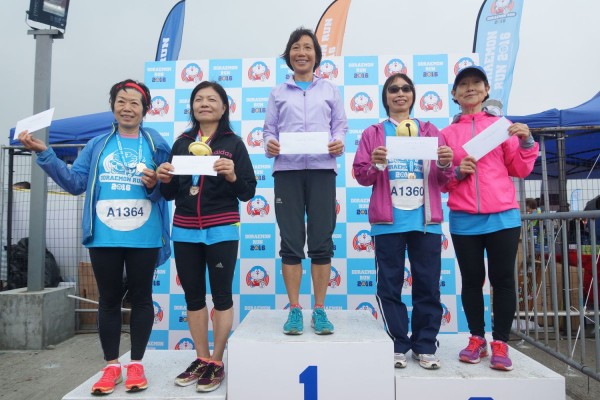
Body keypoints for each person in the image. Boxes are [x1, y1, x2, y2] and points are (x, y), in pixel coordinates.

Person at [18, 79, 172, 395]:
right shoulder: (97, 144)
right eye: (121, 101)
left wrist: (155, 184)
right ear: (112, 106)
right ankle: (111, 365)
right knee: (109, 300)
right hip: (103, 234)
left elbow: (168, 191)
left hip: (144, 234)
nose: (127, 108)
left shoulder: (156, 143)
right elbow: (75, 183)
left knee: (142, 298)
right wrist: (46, 154)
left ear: (145, 110)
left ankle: (137, 364)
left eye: (134, 103)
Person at [156, 81, 256, 392]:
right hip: (185, 229)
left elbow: (248, 191)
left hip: (222, 228)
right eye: (199, 99)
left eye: (212, 99)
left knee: (222, 296)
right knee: (194, 297)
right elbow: (169, 194)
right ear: (192, 107)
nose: (204, 104)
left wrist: (232, 175)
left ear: (224, 107)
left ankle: (217, 360)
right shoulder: (181, 143)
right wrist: (164, 179)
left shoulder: (233, 144)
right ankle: (201, 358)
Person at [352, 73, 453, 369]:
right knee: (389, 286)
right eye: (393, 89)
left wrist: (445, 162)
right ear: (385, 97)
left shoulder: (431, 131)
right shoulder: (374, 133)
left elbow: (445, 179)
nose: (400, 93)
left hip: (426, 222)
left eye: (406, 88)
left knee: (428, 286)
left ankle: (425, 344)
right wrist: (375, 164)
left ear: (413, 95)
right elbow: (361, 175)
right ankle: (397, 342)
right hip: (388, 222)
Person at [441, 65, 538, 371]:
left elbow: (520, 168)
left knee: (503, 279)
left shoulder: (502, 127)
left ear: (486, 91)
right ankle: (476, 338)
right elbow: (440, 181)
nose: (470, 88)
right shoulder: (446, 134)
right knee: (471, 281)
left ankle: (501, 342)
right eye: (463, 85)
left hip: (503, 217)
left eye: (476, 83)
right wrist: (458, 173)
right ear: (455, 94)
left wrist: (526, 141)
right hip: (464, 218)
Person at [263, 27, 347, 335]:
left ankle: (320, 310)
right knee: (291, 241)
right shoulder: (278, 92)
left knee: (322, 241)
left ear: (316, 55)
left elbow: (340, 126)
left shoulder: (330, 90)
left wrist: (338, 142)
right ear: (289, 55)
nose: (302, 52)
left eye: (308, 47)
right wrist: (270, 145)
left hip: (323, 170)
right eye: (296, 47)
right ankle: (295, 309)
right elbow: (268, 131)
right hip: (287, 171)